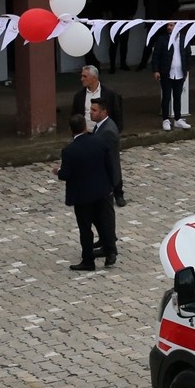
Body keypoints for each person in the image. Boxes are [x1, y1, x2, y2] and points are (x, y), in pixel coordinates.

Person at [53, 114, 116, 271]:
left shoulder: (69, 151)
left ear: (71, 130)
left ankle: (88, 260)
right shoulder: (100, 141)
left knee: (85, 228)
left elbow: (66, 174)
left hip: (82, 196)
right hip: (101, 191)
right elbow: (110, 166)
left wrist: (57, 171)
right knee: (103, 223)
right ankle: (110, 252)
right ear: (84, 126)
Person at [151, 22, 192, 130]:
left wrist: (187, 69)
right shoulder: (162, 39)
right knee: (166, 97)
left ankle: (178, 119)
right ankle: (165, 119)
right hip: (166, 72)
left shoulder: (184, 38)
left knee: (177, 97)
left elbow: (188, 54)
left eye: (171, 25)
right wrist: (156, 70)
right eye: (168, 25)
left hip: (179, 73)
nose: (169, 27)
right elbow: (156, 56)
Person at [88, 97, 125, 208]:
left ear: (103, 112)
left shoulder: (108, 130)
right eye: (91, 109)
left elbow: (108, 158)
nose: (90, 112)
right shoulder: (101, 125)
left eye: (94, 110)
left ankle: (117, 194)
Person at [137, 0, 180, 70]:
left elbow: (176, 5)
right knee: (148, 44)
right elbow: (146, 4)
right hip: (152, 23)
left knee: (165, 44)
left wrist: (168, 14)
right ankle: (143, 64)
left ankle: (167, 64)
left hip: (164, 23)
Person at [100, 0, 138, 74]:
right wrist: (108, 14)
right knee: (113, 43)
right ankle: (112, 66)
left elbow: (135, 3)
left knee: (124, 43)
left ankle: (123, 64)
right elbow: (104, 3)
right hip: (113, 20)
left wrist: (131, 15)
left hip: (126, 20)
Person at [71, 65, 124, 133]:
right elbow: (74, 116)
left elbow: (117, 114)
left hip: (104, 135)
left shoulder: (110, 94)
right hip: (85, 135)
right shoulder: (79, 96)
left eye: (85, 76)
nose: (82, 79)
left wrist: (116, 132)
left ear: (94, 78)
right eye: (82, 76)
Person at [79, 0, 102, 69]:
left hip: (93, 25)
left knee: (89, 47)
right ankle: (91, 66)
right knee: (85, 48)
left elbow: (100, 10)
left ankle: (94, 65)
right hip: (82, 25)